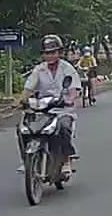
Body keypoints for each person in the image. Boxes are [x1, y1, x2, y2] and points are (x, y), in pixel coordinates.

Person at [18, 34, 81, 175]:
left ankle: (66, 160)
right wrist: (22, 100)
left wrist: (70, 99)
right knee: (23, 128)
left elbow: (74, 89)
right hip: (41, 109)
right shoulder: (39, 70)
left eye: (53, 52)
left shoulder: (67, 69)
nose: (50, 56)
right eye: (47, 53)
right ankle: (26, 160)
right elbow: (29, 88)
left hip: (62, 109)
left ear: (59, 52)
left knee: (63, 127)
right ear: (42, 55)